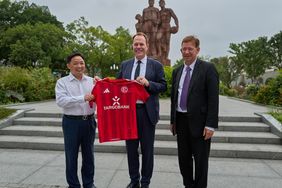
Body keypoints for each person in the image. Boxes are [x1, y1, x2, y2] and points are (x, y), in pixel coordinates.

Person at [117, 32, 167, 188]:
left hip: (147, 113)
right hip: (128, 113)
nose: (138, 47)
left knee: (147, 151)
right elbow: (117, 85)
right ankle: (134, 180)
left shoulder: (156, 65)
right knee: (131, 150)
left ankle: (145, 182)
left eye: (141, 44)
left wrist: (148, 83)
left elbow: (163, 86)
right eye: (136, 44)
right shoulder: (125, 65)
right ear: (132, 46)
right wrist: (101, 84)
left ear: (147, 46)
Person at [170, 36, 219, 188]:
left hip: (201, 124)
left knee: (201, 162)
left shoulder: (208, 68)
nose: (186, 52)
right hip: (181, 121)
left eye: (190, 49)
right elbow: (174, 97)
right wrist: (173, 121)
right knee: (183, 160)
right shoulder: (177, 71)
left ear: (197, 50)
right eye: (184, 49)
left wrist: (210, 125)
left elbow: (213, 98)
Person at [55, 52, 97, 188]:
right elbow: (61, 101)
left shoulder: (92, 81)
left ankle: (89, 184)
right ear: (69, 66)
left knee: (89, 156)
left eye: (82, 63)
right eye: (75, 63)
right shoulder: (62, 82)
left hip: (89, 122)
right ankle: (73, 185)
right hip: (71, 123)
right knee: (71, 155)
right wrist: (82, 98)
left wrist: (102, 84)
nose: (79, 66)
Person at [156, 0, 179, 64]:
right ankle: (160, 52)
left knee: (167, 42)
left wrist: (177, 26)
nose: (161, 4)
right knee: (157, 38)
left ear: (164, 3)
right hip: (161, 27)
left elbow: (175, 18)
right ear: (159, 4)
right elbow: (158, 21)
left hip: (168, 27)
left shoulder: (169, 10)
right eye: (160, 3)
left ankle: (166, 57)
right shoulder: (159, 12)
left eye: (162, 2)